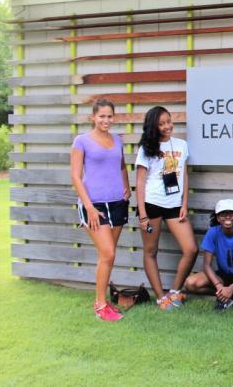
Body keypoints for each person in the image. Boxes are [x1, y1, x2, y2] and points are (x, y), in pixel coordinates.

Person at [70, 99, 130, 322]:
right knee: (108, 253)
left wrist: (127, 187)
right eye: (102, 116)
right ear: (92, 117)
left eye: (110, 116)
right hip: (94, 205)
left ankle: (104, 301)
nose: (106, 120)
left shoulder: (117, 140)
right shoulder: (81, 141)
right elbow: (75, 176)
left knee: (107, 256)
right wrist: (89, 207)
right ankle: (100, 305)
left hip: (117, 203)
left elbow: (122, 166)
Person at [135, 106, 197, 311]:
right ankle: (161, 297)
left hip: (174, 205)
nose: (167, 126)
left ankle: (175, 291)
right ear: (154, 126)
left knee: (191, 249)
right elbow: (141, 181)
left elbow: (184, 175)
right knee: (151, 251)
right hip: (151, 204)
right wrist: (143, 215)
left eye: (168, 121)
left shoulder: (181, 145)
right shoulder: (146, 149)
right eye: (161, 123)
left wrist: (184, 203)